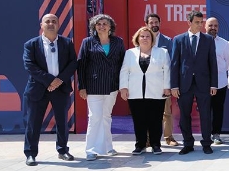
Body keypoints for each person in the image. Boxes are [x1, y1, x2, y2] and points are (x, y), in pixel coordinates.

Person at [22, 14, 77, 166]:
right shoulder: (31, 44)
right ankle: (31, 154)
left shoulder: (67, 43)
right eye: (48, 21)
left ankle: (63, 150)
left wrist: (59, 80)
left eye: (54, 21)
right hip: (38, 89)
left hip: (60, 88)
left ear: (59, 25)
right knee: (33, 123)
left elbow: (73, 63)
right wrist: (50, 80)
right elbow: (30, 66)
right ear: (42, 25)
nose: (51, 24)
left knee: (62, 122)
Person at [76, 14, 126, 161]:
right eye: (98, 24)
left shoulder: (118, 42)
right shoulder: (88, 42)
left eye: (105, 24)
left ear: (110, 27)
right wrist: (82, 87)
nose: (102, 26)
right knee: (95, 117)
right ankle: (90, 150)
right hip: (93, 86)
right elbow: (81, 65)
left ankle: (108, 147)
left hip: (112, 85)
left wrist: (123, 85)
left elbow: (123, 64)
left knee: (106, 117)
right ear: (94, 26)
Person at [170, 10, 218, 155]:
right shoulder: (178, 39)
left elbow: (212, 63)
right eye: (196, 22)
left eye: (201, 22)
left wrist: (213, 84)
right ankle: (188, 144)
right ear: (189, 22)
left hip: (203, 83)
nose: (199, 25)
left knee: (205, 115)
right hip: (185, 84)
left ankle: (206, 143)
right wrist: (174, 85)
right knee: (184, 115)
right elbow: (174, 64)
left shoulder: (208, 39)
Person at [119, 27, 171, 155]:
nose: (145, 38)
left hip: (156, 92)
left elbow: (167, 70)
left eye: (148, 36)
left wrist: (166, 86)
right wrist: (123, 87)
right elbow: (124, 71)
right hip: (135, 92)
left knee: (156, 119)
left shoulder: (162, 52)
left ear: (152, 39)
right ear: (137, 38)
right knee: (138, 120)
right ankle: (140, 145)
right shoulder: (130, 53)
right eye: (142, 36)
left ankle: (156, 145)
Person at [146, 13, 178, 147]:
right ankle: (148, 139)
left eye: (156, 22)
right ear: (147, 24)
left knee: (166, 112)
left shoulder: (168, 41)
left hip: (164, 82)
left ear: (160, 23)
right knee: (148, 112)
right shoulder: (143, 39)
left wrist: (170, 83)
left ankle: (168, 137)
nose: (154, 25)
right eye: (151, 23)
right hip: (147, 82)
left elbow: (173, 62)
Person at [205, 17, 229, 145]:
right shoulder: (200, 41)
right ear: (205, 26)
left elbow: (227, 63)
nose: (213, 28)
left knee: (218, 109)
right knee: (205, 109)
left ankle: (216, 134)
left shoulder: (224, 43)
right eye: (210, 25)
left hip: (220, 82)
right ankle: (206, 135)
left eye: (215, 25)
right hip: (203, 83)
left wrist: (217, 72)